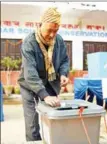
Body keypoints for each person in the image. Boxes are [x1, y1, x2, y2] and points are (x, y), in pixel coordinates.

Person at [18, 7, 70, 141]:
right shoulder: (29, 43)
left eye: (56, 30)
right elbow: (30, 73)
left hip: (50, 84)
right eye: (49, 30)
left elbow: (64, 59)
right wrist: (44, 96)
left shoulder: (58, 40)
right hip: (30, 86)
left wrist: (63, 74)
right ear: (40, 25)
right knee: (32, 125)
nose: (53, 35)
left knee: (54, 119)